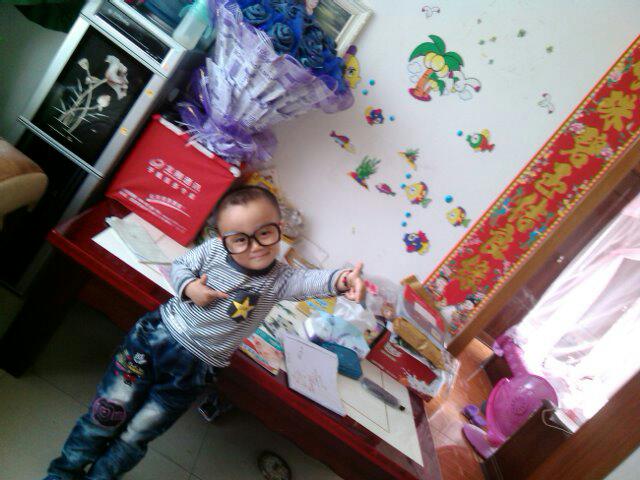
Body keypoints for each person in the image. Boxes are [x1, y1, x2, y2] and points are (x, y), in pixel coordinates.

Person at [44, 185, 365, 480]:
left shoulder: (281, 278)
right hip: (154, 340)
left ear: (279, 229)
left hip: (194, 370)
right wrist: (189, 288)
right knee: (105, 415)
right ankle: (62, 473)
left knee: (136, 435)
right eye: (240, 239)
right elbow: (181, 266)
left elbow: (311, 282)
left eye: (265, 233)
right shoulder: (212, 251)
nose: (255, 247)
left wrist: (343, 279)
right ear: (223, 238)